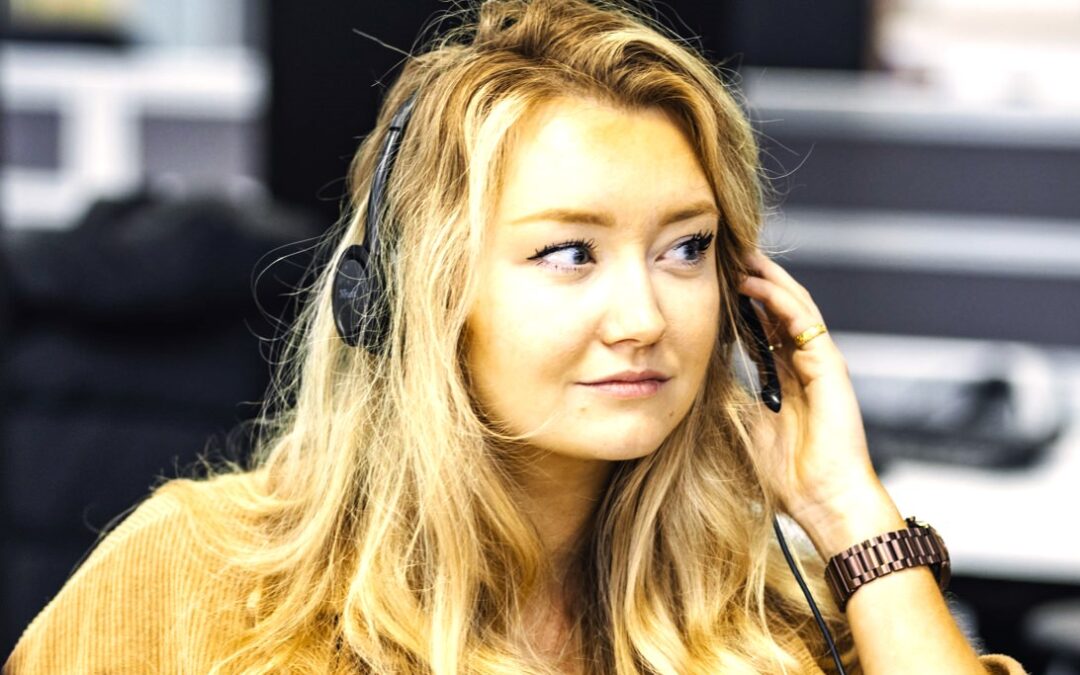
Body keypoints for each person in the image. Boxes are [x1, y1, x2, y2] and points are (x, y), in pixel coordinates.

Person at [5, 1, 1025, 673]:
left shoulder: (753, 629)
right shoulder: (199, 586)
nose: (643, 319)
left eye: (685, 250)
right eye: (569, 253)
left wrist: (851, 514)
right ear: (413, 296)